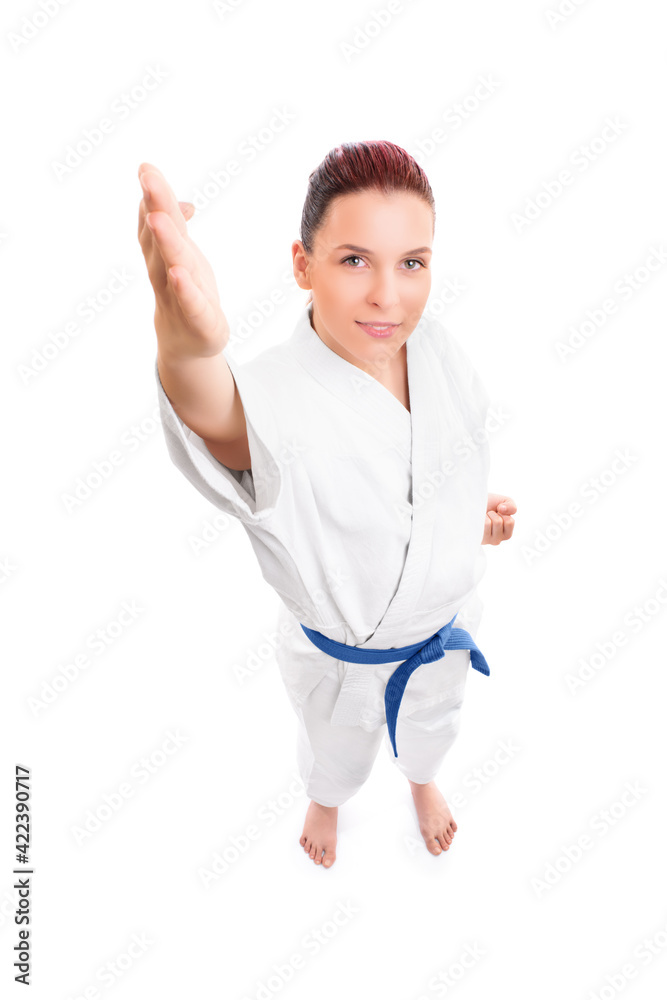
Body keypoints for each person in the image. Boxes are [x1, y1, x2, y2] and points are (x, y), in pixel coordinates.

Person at [137, 140, 516, 870]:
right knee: (336, 752)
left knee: (434, 727)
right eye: (354, 260)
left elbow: (433, 478)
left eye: (412, 262)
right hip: (343, 666)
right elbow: (221, 416)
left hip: (441, 633)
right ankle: (326, 798)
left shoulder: (438, 351)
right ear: (302, 265)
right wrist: (184, 347)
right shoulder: (276, 396)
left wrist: (468, 521)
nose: (388, 296)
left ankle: (422, 777)